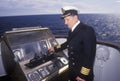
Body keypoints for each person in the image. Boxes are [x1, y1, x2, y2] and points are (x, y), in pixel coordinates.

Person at [49, 6, 96, 81]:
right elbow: (67, 43)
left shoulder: (87, 30)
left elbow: (89, 56)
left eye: (67, 20)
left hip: (82, 75)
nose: (65, 23)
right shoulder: (71, 31)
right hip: (73, 71)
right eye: (64, 20)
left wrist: (83, 75)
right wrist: (55, 49)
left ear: (75, 17)